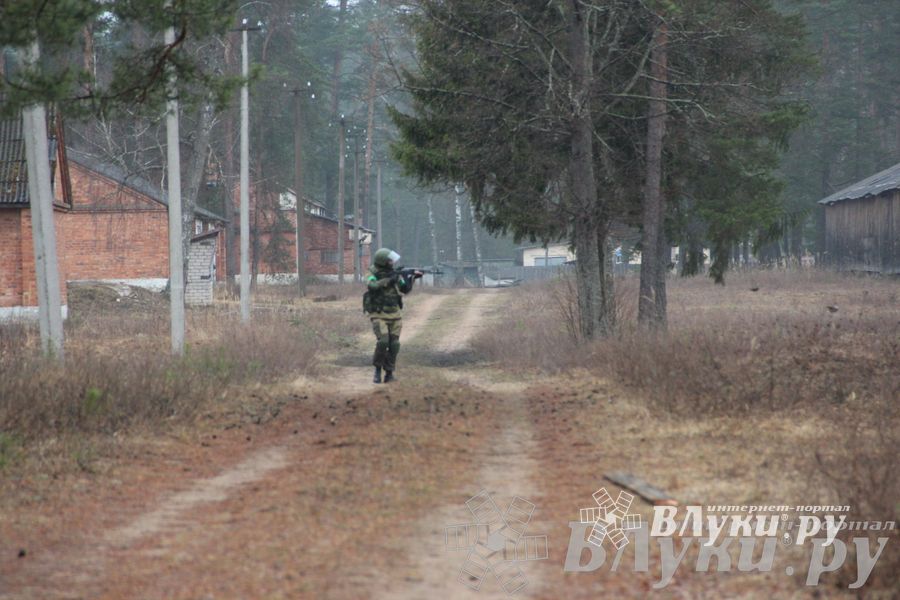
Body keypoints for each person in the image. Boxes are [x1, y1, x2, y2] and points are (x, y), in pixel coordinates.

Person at [365, 248, 422, 383]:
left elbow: (404, 289)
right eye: (390, 260)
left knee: (394, 344)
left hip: (395, 314)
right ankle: (378, 370)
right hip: (379, 314)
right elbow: (372, 285)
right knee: (383, 342)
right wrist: (389, 280)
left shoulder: (395, 273)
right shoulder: (372, 272)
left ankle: (389, 373)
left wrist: (412, 278)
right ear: (383, 261)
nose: (392, 262)